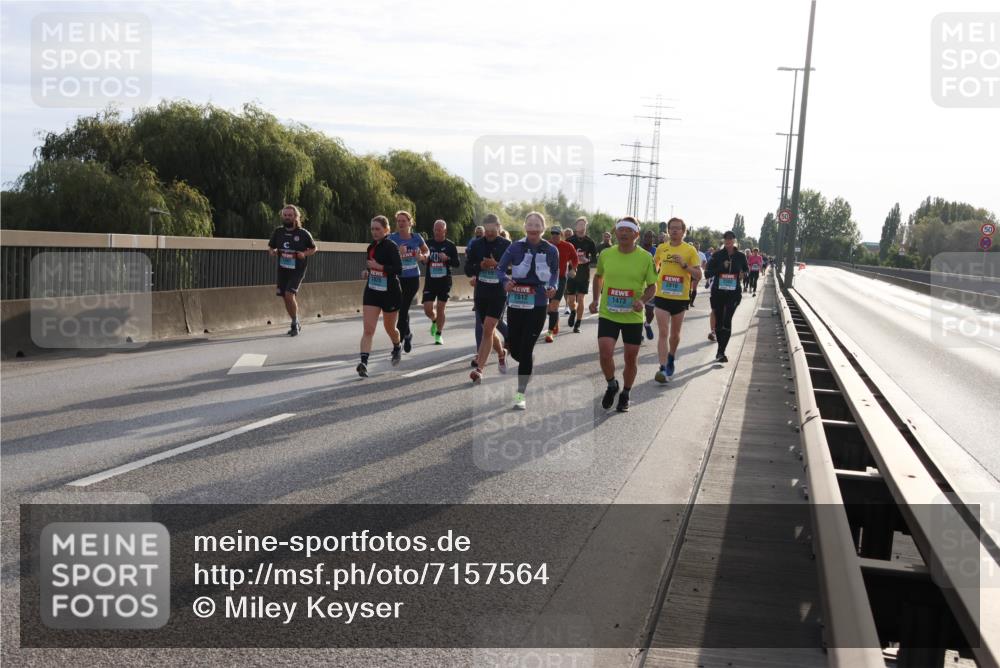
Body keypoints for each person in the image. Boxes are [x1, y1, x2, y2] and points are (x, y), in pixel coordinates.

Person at [590, 217, 658, 412]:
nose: (624, 233)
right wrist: (595, 299)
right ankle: (612, 384)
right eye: (620, 230)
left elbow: (653, 286)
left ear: (636, 234)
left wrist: (642, 301)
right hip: (608, 312)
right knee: (605, 352)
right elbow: (598, 276)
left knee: (630, 357)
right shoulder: (606, 254)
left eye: (629, 230)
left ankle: (626, 393)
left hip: (633, 315)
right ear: (616, 233)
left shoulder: (645, 257)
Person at [497, 211, 559, 409]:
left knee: (527, 348)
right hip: (516, 303)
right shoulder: (515, 247)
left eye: (537, 224)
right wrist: (505, 281)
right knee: (517, 349)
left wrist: (553, 287)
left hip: (538, 303)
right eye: (530, 224)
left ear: (543, 228)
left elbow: (555, 272)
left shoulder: (550, 250)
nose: (533, 227)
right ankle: (526, 359)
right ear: (525, 227)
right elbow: (500, 269)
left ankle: (520, 395)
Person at [652, 218, 703, 383]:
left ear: (683, 231)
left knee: (674, 335)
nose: (674, 231)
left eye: (677, 228)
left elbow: (698, 275)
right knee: (663, 332)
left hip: (680, 298)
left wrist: (684, 266)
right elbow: (654, 268)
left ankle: (671, 356)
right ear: (668, 230)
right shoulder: (661, 248)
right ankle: (662, 367)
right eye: (671, 228)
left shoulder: (690, 250)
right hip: (662, 296)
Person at [466, 213, 512, 383]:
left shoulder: (507, 245)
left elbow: (514, 270)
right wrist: (480, 266)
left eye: (494, 230)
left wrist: (496, 265)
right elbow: (467, 269)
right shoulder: (477, 245)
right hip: (482, 292)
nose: (490, 233)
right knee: (488, 329)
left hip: (499, 293)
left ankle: (479, 369)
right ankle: (501, 353)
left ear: (499, 228)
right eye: (488, 230)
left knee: (488, 328)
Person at [358, 215, 403, 377]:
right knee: (368, 329)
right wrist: (367, 271)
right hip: (372, 290)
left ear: (386, 230)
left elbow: (398, 269)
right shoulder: (371, 247)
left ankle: (397, 346)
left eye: (378, 229)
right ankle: (363, 362)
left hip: (390, 292)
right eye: (372, 229)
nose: (374, 232)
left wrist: (379, 266)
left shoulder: (391, 246)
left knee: (390, 328)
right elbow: (371, 267)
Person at [267, 204, 317, 336]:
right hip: (283, 269)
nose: (287, 217)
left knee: (290, 295)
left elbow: (313, 248)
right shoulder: (278, 232)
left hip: (297, 270)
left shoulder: (303, 233)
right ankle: (295, 321)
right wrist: (273, 251)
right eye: (285, 215)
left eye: (290, 215)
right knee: (285, 297)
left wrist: (304, 254)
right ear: (282, 216)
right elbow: (271, 247)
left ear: (296, 217)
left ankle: (295, 322)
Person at [705, 231, 749, 363]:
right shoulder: (717, 255)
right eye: (726, 239)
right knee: (719, 322)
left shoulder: (741, 256)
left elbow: (746, 270)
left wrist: (743, 274)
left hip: (733, 293)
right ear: (723, 241)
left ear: (734, 240)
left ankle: (721, 351)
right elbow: (707, 273)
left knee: (727, 320)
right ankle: (720, 349)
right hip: (718, 292)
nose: (728, 241)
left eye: (731, 239)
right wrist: (720, 269)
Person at [388, 211, 428, 353]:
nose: (401, 223)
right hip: (398, 278)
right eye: (398, 221)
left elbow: (427, 251)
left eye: (404, 221)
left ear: (410, 223)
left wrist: (422, 257)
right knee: (402, 308)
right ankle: (407, 334)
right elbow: (386, 255)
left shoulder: (417, 238)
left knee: (403, 308)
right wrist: (398, 252)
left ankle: (398, 343)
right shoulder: (392, 238)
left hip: (412, 278)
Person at [422, 219, 461, 345]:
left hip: (444, 281)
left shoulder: (450, 245)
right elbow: (423, 259)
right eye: (435, 230)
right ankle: (434, 320)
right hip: (430, 281)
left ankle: (439, 334)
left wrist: (447, 258)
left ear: (445, 231)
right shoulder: (428, 243)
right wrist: (424, 259)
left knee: (440, 308)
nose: (437, 232)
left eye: (440, 230)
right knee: (428, 309)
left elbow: (457, 263)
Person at [544, 226, 579, 343]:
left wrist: (573, 269)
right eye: (553, 233)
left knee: (553, 306)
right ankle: (555, 323)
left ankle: (549, 333)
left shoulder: (568, 246)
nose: (554, 235)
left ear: (561, 235)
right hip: (546, 279)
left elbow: (575, 259)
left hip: (561, 279)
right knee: (549, 306)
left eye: (557, 233)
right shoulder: (545, 245)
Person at [566, 217, 598, 333]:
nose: (581, 226)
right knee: (570, 300)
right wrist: (571, 262)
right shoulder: (569, 240)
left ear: (586, 227)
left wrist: (587, 259)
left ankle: (578, 324)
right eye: (579, 224)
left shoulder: (590, 242)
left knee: (580, 298)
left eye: (583, 224)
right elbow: (565, 256)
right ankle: (573, 311)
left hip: (584, 274)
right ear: (575, 227)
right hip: (572, 273)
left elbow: (594, 259)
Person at [639, 230, 657, 341]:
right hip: (638, 285)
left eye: (650, 237)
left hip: (651, 285)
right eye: (646, 236)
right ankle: (639, 333)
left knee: (650, 312)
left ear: (653, 239)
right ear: (642, 237)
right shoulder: (637, 249)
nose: (648, 238)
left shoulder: (656, 251)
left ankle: (647, 324)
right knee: (638, 309)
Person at [705, 245, 718, 341]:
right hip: (715, 287)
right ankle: (713, 332)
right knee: (714, 310)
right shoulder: (714, 259)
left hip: (730, 290)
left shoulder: (735, 258)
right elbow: (707, 272)